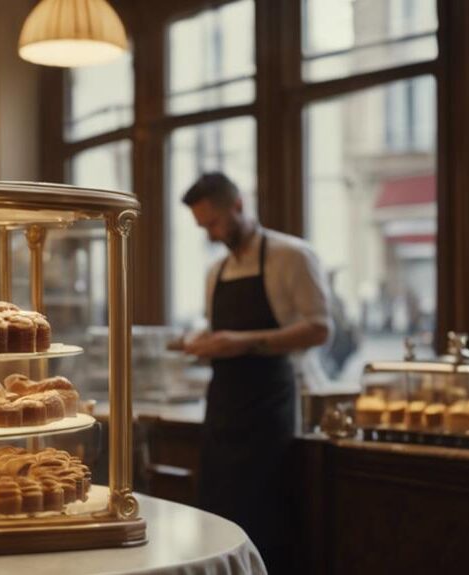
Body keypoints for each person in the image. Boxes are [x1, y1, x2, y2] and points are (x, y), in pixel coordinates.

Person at [178, 173, 331, 574]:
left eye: (213, 223)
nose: (210, 234)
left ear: (239, 206)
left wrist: (243, 341)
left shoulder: (292, 255)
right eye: (202, 227)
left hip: (270, 406)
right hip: (224, 406)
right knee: (215, 515)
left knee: (264, 516)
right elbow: (220, 332)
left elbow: (320, 328)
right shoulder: (216, 272)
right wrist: (202, 340)